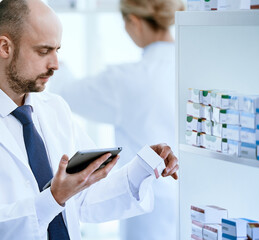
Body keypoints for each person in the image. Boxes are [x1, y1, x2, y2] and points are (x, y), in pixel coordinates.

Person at [0, 0, 179, 239]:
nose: (56, 64)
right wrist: (53, 198)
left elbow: (85, 199)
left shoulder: (54, 108)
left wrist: (143, 168)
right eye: (44, 51)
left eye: (57, 50)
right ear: (5, 47)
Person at [48, 0, 185, 239]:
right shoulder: (190, 66)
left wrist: (50, 53)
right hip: (191, 201)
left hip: (148, 211)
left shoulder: (127, 80)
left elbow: (67, 92)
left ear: (133, 21)